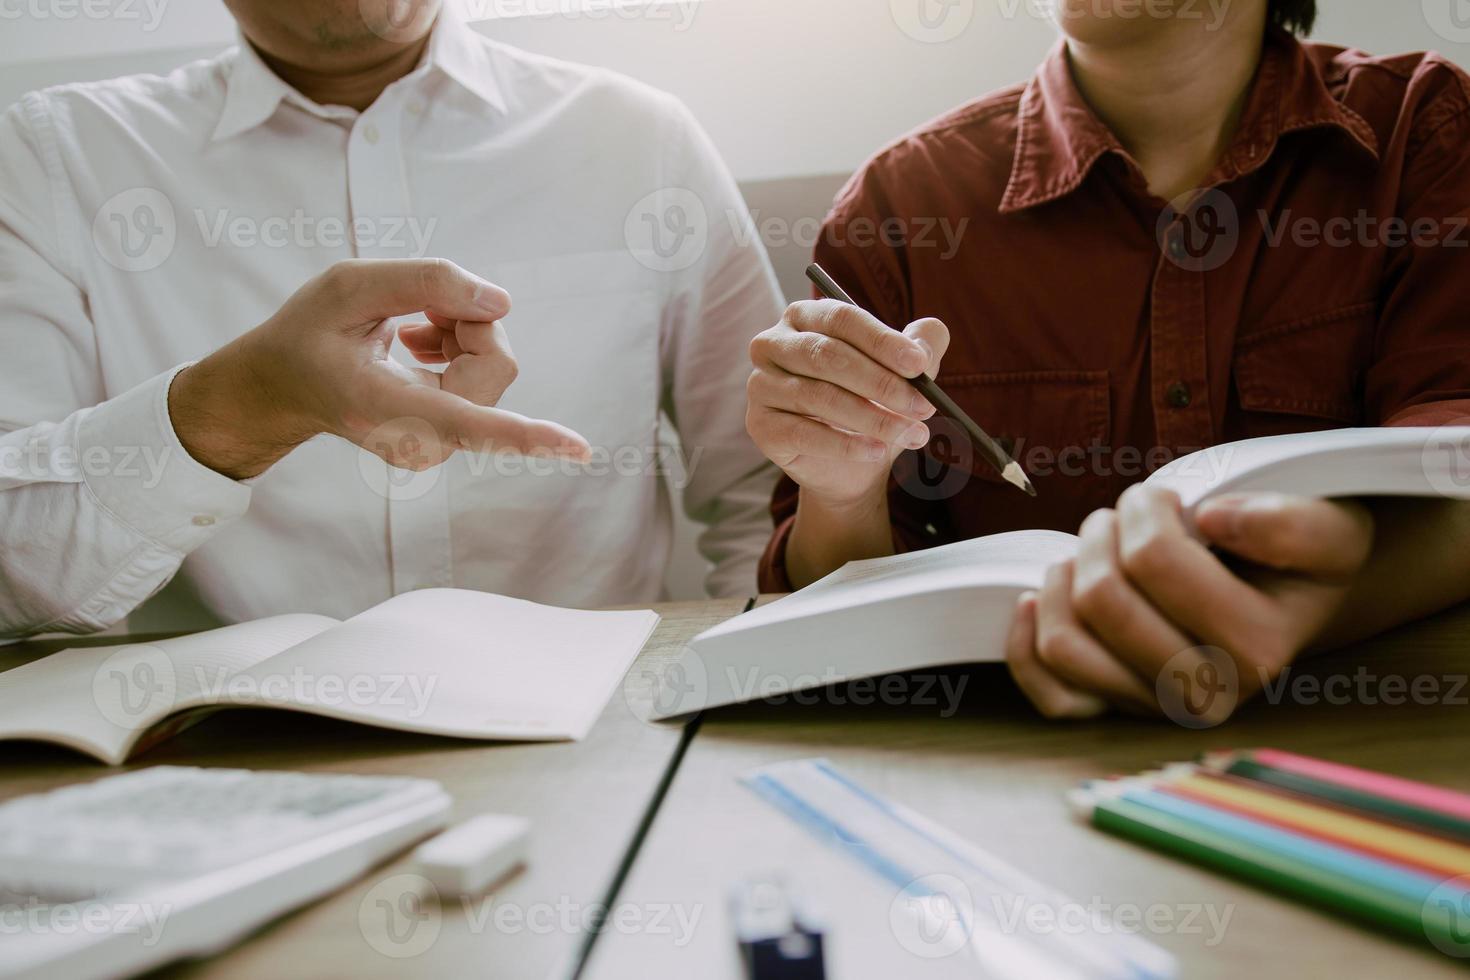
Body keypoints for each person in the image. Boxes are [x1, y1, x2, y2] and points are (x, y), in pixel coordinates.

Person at [746, 0, 1470, 721]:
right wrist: (842, 495)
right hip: (1008, 756)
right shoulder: (899, 209)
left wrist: (1323, 603)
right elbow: (818, 596)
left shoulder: (1423, 128)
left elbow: (1456, 468)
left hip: (1371, 724)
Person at [0, 0, 783, 637]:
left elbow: (768, 489)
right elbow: (13, 577)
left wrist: (737, 693)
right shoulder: (53, 157)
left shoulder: (640, 141)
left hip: (602, 729)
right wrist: (235, 410)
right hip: (219, 760)